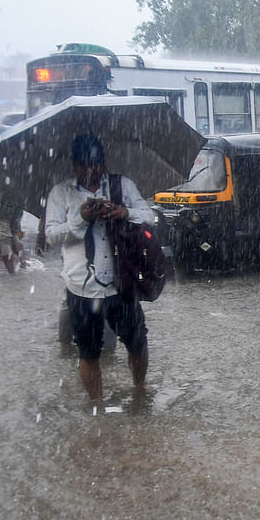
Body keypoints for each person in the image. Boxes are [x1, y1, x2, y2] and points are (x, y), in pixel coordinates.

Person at [44, 134, 153, 406]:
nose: (91, 171)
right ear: (74, 164)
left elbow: (150, 215)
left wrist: (124, 212)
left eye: (96, 164)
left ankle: (140, 389)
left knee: (137, 342)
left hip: (121, 282)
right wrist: (80, 218)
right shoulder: (61, 193)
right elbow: (52, 236)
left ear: (103, 163)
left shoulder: (122, 185)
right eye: (84, 165)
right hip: (81, 287)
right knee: (89, 352)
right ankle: (98, 405)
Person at [0, 194, 27, 273]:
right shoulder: (19, 184)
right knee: (14, 234)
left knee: (4, 239)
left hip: (1, 210)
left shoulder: (0, 186)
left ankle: (11, 271)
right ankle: (23, 263)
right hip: (17, 209)